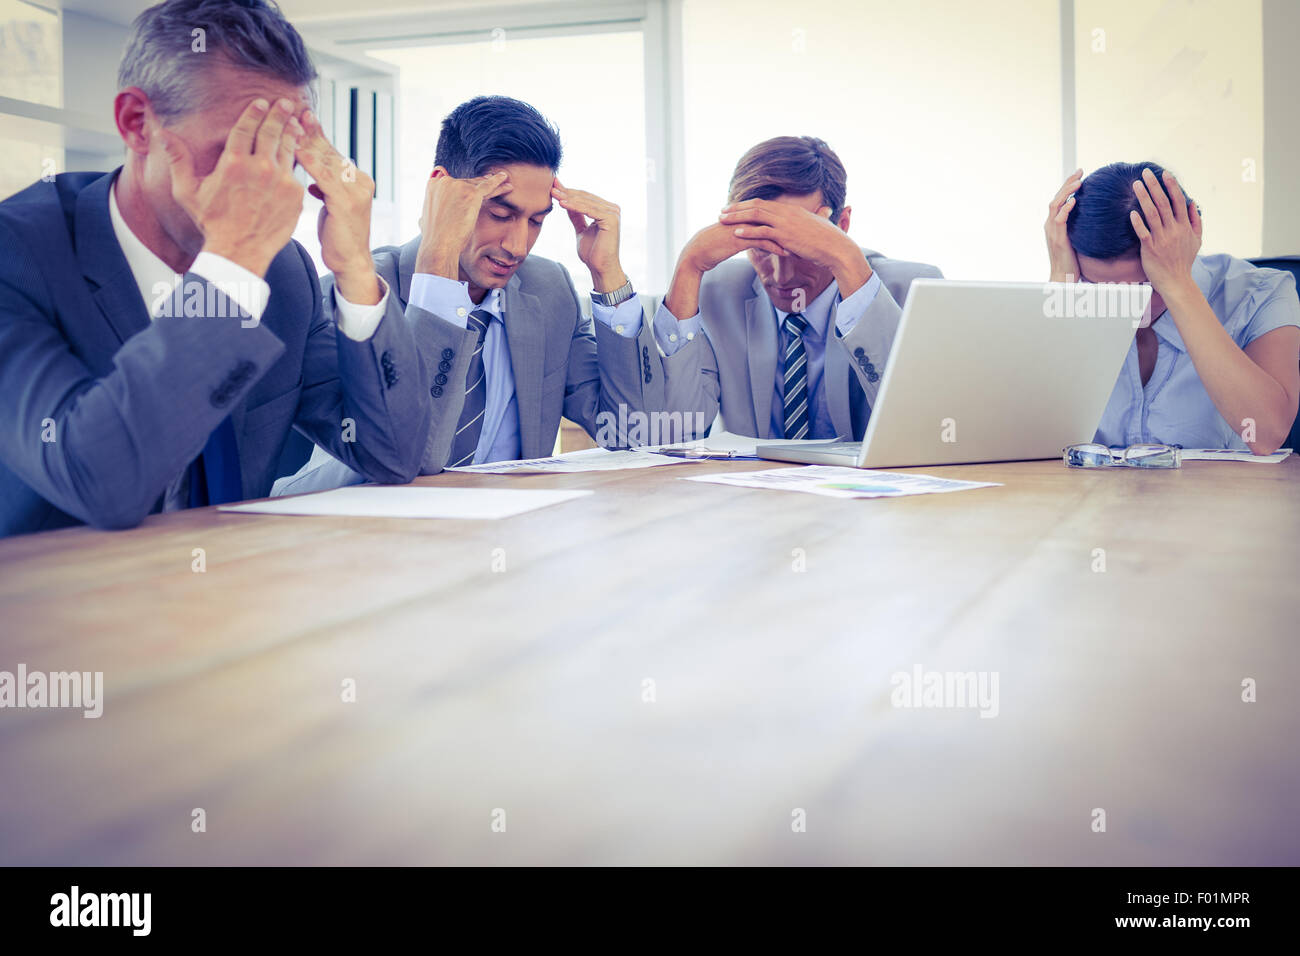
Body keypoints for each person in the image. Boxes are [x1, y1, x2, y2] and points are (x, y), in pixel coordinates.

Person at [0, 0, 431, 536]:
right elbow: (103, 483)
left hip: (227, 597)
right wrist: (232, 264)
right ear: (137, 125)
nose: (264, 183)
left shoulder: (284, 274)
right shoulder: (14, 253)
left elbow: (392, 454)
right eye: (238, 152)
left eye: (281, 156)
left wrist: (355, 269)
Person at [275, 95, 666, 495]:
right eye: (500, 214)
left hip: (504, 534)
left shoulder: (549, 291)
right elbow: (417, 458)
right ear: (441, 190)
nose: (518, 245)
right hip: (362, 530)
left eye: (535, 221)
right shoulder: (359, 292)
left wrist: (608, 274)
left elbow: (638, 433)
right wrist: (439, 261)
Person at [654, 136, 941, 442]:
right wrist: (688, 266)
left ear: (842, 224)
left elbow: (924, 432)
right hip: (756, 489)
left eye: (798, 247)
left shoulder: (914, 292)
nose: (781, 276)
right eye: (761, 248)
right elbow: (673, 434)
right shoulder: (716, 292)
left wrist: (846, 257)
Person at [1046, 162, 1300, 454]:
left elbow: (1265, 434)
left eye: (1146, 286)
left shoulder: (1262, 293)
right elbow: (1028, 435)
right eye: (1100, 286)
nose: (1127, 307)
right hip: (1094, 497)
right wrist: (1062, 287)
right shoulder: (1073, 294)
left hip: (1218, 496)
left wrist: (1177, 285)